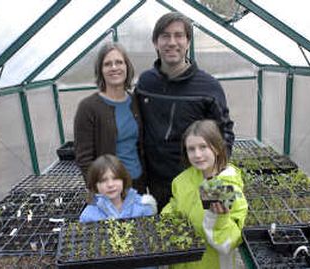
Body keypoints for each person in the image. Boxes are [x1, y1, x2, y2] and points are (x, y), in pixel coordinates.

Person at [135, 12, 235, 210]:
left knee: (210, 228)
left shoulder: (208, 86)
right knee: (166, 229)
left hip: (197, 177)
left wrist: (215, 182)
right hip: (158, 181)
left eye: (179, 35)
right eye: (165, 36)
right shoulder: (146, 83)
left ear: (188, 42)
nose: (172, 42)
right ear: (155, 42)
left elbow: (225, 134)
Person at [162, 120, 247, 269]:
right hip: (181, 263)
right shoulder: (182, 180)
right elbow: (175, 206)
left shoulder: (225, 188)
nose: (197, 155)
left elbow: (230, 242)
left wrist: (219, 219)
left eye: (203, 147)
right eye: (191, 149)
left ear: (217, 148)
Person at [74, 42, 146, 193]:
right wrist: (99, 190)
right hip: (109, 189)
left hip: (138, 184)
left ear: (127, 67)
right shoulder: (88, 107)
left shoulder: (136, 101)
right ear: (100, 70)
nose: (114, 68)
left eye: (119, 62)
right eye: (107, 64)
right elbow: (84, 159)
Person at [79, 154, 157, 223]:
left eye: (115, 178)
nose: (110, 184)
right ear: (95, 185)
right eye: (103, 180)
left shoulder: (142, 207)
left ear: (123, 180)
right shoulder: (88, 216)